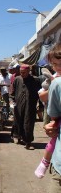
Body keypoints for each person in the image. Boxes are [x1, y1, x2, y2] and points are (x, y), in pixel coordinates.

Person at [35, 45, 61, 179]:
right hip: (55, 115)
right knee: (53, 138)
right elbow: (42, 96)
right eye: (55, 64)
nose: (57, 67)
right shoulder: (56, 80)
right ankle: (45, 162)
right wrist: (54, 85)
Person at [11, 64, 41, 150]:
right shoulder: (17, 79)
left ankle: (28, 142)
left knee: (28, 123)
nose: (22, 74)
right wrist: (12, 101)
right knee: (18, 121)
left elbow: (40, 93)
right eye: (21, 72)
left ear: (28, 71)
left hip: (30, 105)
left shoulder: (35, 80)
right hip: (19, 105)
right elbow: (13, 91)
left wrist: (40, 105)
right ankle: (18, 137)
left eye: (24, 72)